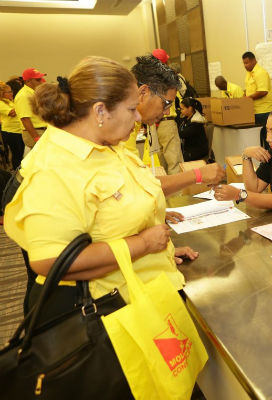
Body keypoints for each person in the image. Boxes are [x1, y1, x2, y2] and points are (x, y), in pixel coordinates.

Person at [4, 56, 225, 321]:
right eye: (132, 109)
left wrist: (157, 249)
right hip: (108, 312)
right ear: (100, 112)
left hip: (142, 290)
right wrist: (142, 244)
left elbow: (112, 209)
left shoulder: (109, 146)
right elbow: (51, 261)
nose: (137, 119)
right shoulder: (55, 167)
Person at [242, 51, 272, 149]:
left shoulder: (260, 72)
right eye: (244, 63)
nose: (245, 65)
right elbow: (250, 89)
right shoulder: (249, 74)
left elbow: (263, 91)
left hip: (264, 111)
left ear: (253, 61)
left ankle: (271, 161)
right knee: (259, 139)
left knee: (267, 140)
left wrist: (248, 98)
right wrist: (244, 95)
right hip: (254, 111)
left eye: (247, 63)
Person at [14, 68, 47, 149]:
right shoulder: (23, 96)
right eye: (38, 80)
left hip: (40, 130)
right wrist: (36, 137)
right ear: (28, 81)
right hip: (35, 132)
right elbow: (25, 119)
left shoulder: (33, 93)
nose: (41, 82)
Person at [0, 81, 24, 170]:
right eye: (9, 92)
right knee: (17, 154)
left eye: (11, 91)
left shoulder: (10, 102)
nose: (12, 93)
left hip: (18, 130)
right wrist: (22, 106)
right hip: (11, 132)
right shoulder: (1, 103)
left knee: (21, 153)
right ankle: (16, 173)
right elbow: (12, 113)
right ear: (2, 93)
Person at [178, 97, 209, 162]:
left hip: (197, 151)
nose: (181, 111)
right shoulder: (186, 118)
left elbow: (183, 134)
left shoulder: (196, 122)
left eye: (182, 109)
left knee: (179, 160)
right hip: (189, 150)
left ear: (190, 108)